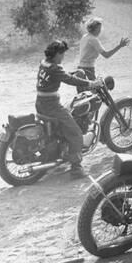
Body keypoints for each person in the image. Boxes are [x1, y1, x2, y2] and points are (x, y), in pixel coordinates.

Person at [36, 40, 103, 178]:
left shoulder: (44, 63)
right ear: (57, 54)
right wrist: (91, 83)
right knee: (76, 133)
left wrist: (73, 74)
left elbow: (63, 76)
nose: (63, 57)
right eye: (62, 54)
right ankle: (76, 168)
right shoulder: (55, 68)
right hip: (52, 106)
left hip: (40, 104)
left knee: (66, 120)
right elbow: (69, 80)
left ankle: (61, 152)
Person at [76, 17, 129, 91]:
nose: (100, 31)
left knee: (84, 95)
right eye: (99, 29)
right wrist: (120, 46)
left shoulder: (85, 37)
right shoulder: (93, 39)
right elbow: (106, 55)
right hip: (88, 70)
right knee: (96, 94)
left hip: (80, 69)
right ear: (95, 29)